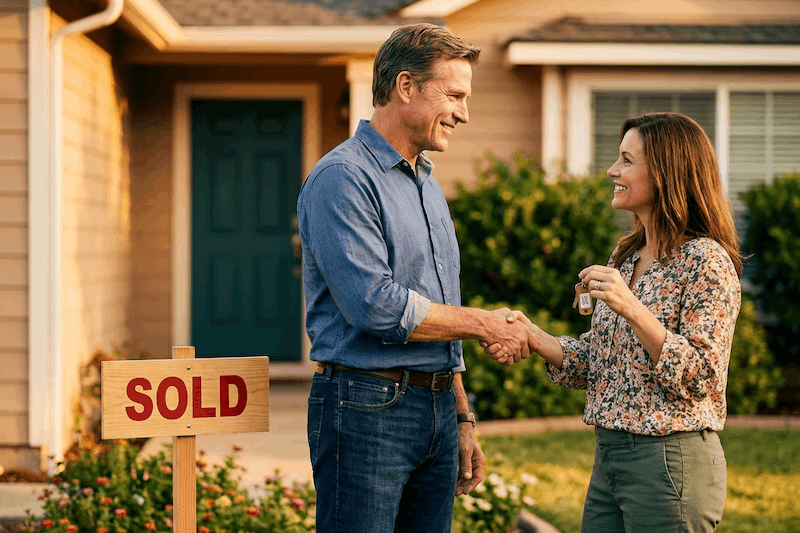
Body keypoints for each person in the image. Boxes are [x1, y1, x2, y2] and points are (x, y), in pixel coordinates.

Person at [297, 23, 532, 533]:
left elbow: (439, 304)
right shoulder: (344, 178)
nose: (464, 113)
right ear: (406, 87)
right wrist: (486, 324)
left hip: (437, 410)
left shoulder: (426, 184)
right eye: (454, 95)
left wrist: (462, 415)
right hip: (366, 410)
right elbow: (375, 305)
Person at [499, 112, 743, 532]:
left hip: (670, 463)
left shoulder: (706, 262)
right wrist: (531, 335)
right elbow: (598, 362)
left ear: (666, 173)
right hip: (609, 457)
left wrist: (632, 306)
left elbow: (702, 377)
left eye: (627, 160)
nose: (612, 170)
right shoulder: (626, 258)